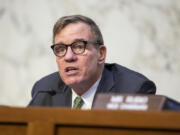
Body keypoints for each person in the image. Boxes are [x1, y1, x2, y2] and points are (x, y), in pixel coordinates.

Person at [28, 15, 156, 109]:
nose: (68, 57)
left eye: (78, 47)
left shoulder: (133, 91)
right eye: (60, 49)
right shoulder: (44, 90)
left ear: (101, 54)